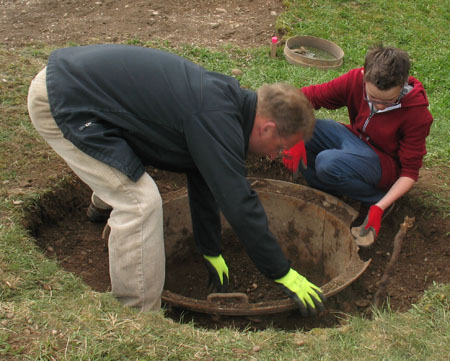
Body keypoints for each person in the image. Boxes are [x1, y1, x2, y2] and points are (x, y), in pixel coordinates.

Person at [27, 44, 326, 316]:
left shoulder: (228, 104)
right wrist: (282, 272)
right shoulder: (216, 117)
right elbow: (239, 205)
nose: (276, 155)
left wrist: (210, 248)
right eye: (281, 146)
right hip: (65, 99)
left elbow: (204, 176)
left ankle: (103, 199)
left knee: (129, 174)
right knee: (140, 203)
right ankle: (137, 316)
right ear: (268, 128)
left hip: (85, 90)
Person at [282, 46, 433, 247]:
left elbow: (410, 173)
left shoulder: (416, 114)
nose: (378, 106)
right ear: (364, 76)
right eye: (373, 98)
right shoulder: (355, 80)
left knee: (328, 163)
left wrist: (380, 206)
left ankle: (375, 200)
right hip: (355, 140)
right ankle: (327, 195)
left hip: (383, 164)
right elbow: (310, 96)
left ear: (402, 84)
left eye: (388, 102)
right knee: (307, 129)